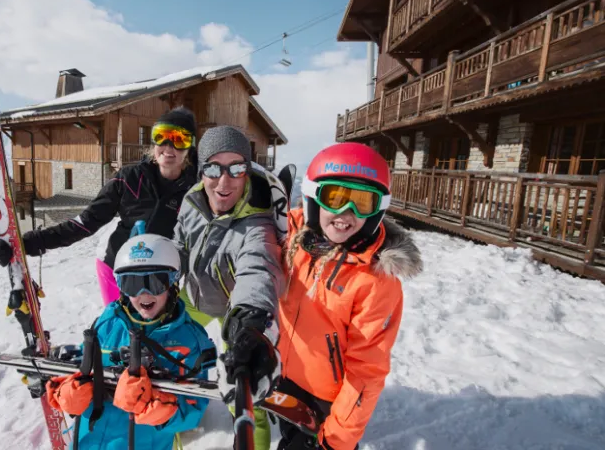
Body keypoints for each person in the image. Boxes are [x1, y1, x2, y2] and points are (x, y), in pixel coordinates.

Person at [275, 143, 423, 450]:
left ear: (378, 208)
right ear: (314, 196)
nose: (346, 213)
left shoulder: (375, 280)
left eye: (361, 202)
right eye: (336, 197)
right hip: (285, 378)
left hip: (327, 400)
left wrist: (337, 439)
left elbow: (367, 370)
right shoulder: (292, 234)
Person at [0, 107, 199, 306]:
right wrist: (29, 244)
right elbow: (85, 223)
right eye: (161, 136)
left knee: (160, 335)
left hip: (163, 273)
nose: (169, 147)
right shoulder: (129, 179)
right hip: (118, 266)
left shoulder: (197, 188)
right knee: (121, 331)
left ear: (190, 147)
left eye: (180, 139)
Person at [44, 233, 216, 450]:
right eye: (132, 283)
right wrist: (66, 390)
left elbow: (194, 408)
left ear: (173, 283)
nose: (143, 294)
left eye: (154, 282)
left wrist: (153, 405)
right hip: (87, 442)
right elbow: (80, 362)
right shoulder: (108, 323)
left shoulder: (188, 339)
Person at [172, 125, 285, 449]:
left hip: (233, 309)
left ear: (247, 172)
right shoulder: (192, 201)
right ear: (201, 170)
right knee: (168, 364)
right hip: (191, 297)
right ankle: (175, 434)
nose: (224, 181)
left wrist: (250, 322)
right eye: (213, 168)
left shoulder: (258, 222)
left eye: (236, 168)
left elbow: (257, 270)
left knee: (244, 384)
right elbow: (179, 244)